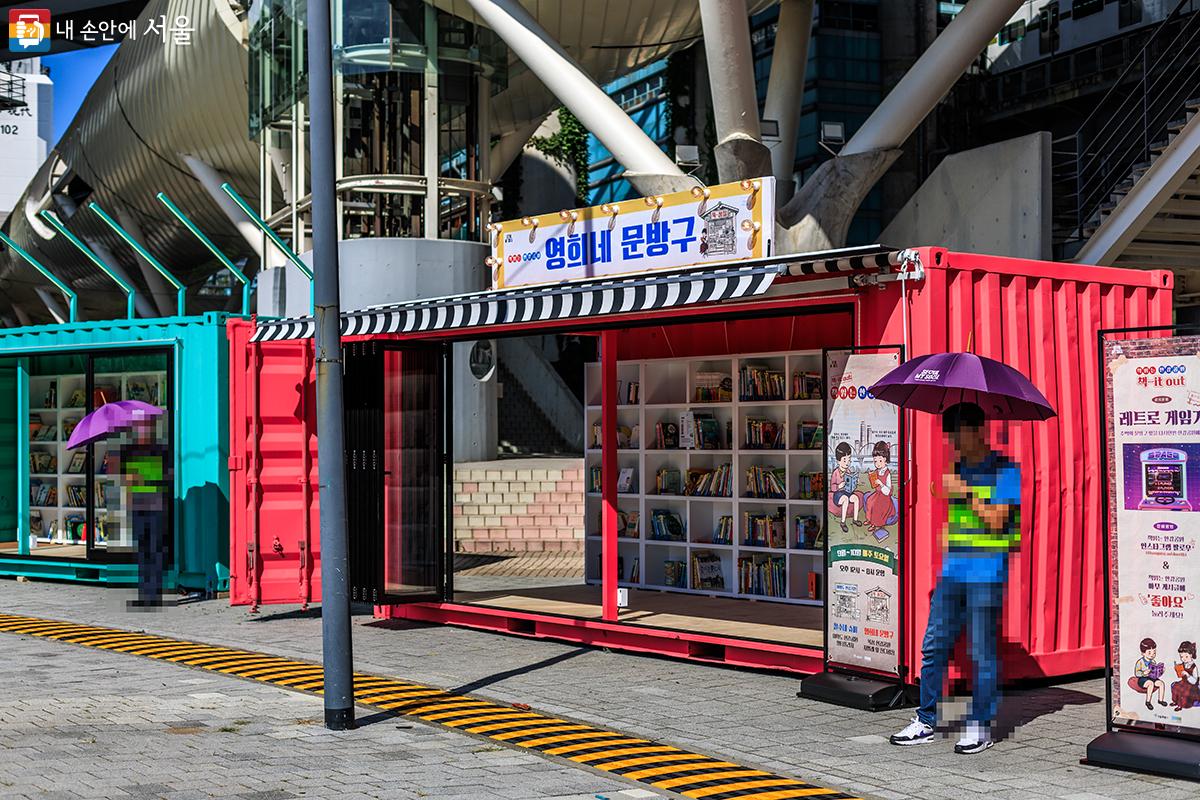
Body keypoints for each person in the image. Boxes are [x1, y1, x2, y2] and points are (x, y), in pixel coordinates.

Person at [890, 402, 1021, 754]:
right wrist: (946, 485)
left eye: (957, 434)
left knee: (981, 651)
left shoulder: (1005, 471)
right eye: (949, 435)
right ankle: (926, 721)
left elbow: (997, 521)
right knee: (932, 647)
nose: (952, 441)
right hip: (952, 574)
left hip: (986, 575)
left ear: (977, 431)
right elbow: (936, 489)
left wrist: (964, 491)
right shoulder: (959, 466)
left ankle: (980, 725)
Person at [120, 415, 171, 608]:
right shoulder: (128, 450)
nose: (143, 432)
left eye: (146, 428)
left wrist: (142, 478)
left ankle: (154, 595)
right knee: (142, 551)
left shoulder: (161, 450)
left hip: (156, 506)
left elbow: (166, 477)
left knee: (155, 550)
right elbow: (126, 479)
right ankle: (144, 594)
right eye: (140, 428)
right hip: (138, 506)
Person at [829, 441, 862, 533]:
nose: (847, 462)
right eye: (844, 460)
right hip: (838, 495)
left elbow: (850, 484)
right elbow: (832, 487)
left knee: (855, 498)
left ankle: (855, 519)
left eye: (849, 459)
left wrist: (854, 483)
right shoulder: (836, 472)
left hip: (847, 492)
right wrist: (839, 486)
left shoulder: (848, 471)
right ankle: (843, 522)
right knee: (845, 500)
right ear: (838, 461)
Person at [1171, 641, 1200, 711]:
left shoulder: (1194, 667)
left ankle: (1180, 705)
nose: (1183, 659)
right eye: (1181, 656)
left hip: (1192, 685)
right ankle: (1175, 701)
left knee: (1183, 692)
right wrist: (1178, 669)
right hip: (1183, 682)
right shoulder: (1184, 664)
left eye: (1186, 656)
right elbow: (1181, 675)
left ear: (1191, 655)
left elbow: (1194, 681)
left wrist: (1187, 675)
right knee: (1175, 687)